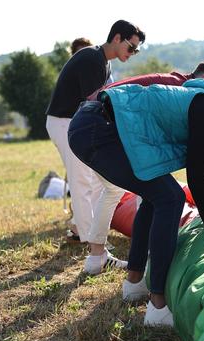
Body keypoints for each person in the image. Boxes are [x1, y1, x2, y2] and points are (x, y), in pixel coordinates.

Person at [68, 73, 204, 326]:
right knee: (170, 198)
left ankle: (135, 282)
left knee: (156, 197)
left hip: (96, 126)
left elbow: (198, 169)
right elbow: (196, 175)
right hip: (98, 129)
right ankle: (158, 305)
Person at [79, 61, 204, 275]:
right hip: (101, 122)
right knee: (164, 197)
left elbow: (176, 146)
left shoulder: (178, 86)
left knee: (147, 195)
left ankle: (120, 266)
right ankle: (151, 271)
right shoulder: (184, 91)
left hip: (96, 119)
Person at [45, 20, 145, 271]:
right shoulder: (91, 58)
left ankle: (84, 232)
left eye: (136, 51)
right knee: (83, 183)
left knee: (96, 183)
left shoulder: (103, 61)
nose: (132, 54)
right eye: (131, 47)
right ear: (117, 37)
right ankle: (95, 252)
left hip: (75, 123)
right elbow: (96, 101)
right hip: (65, 122)